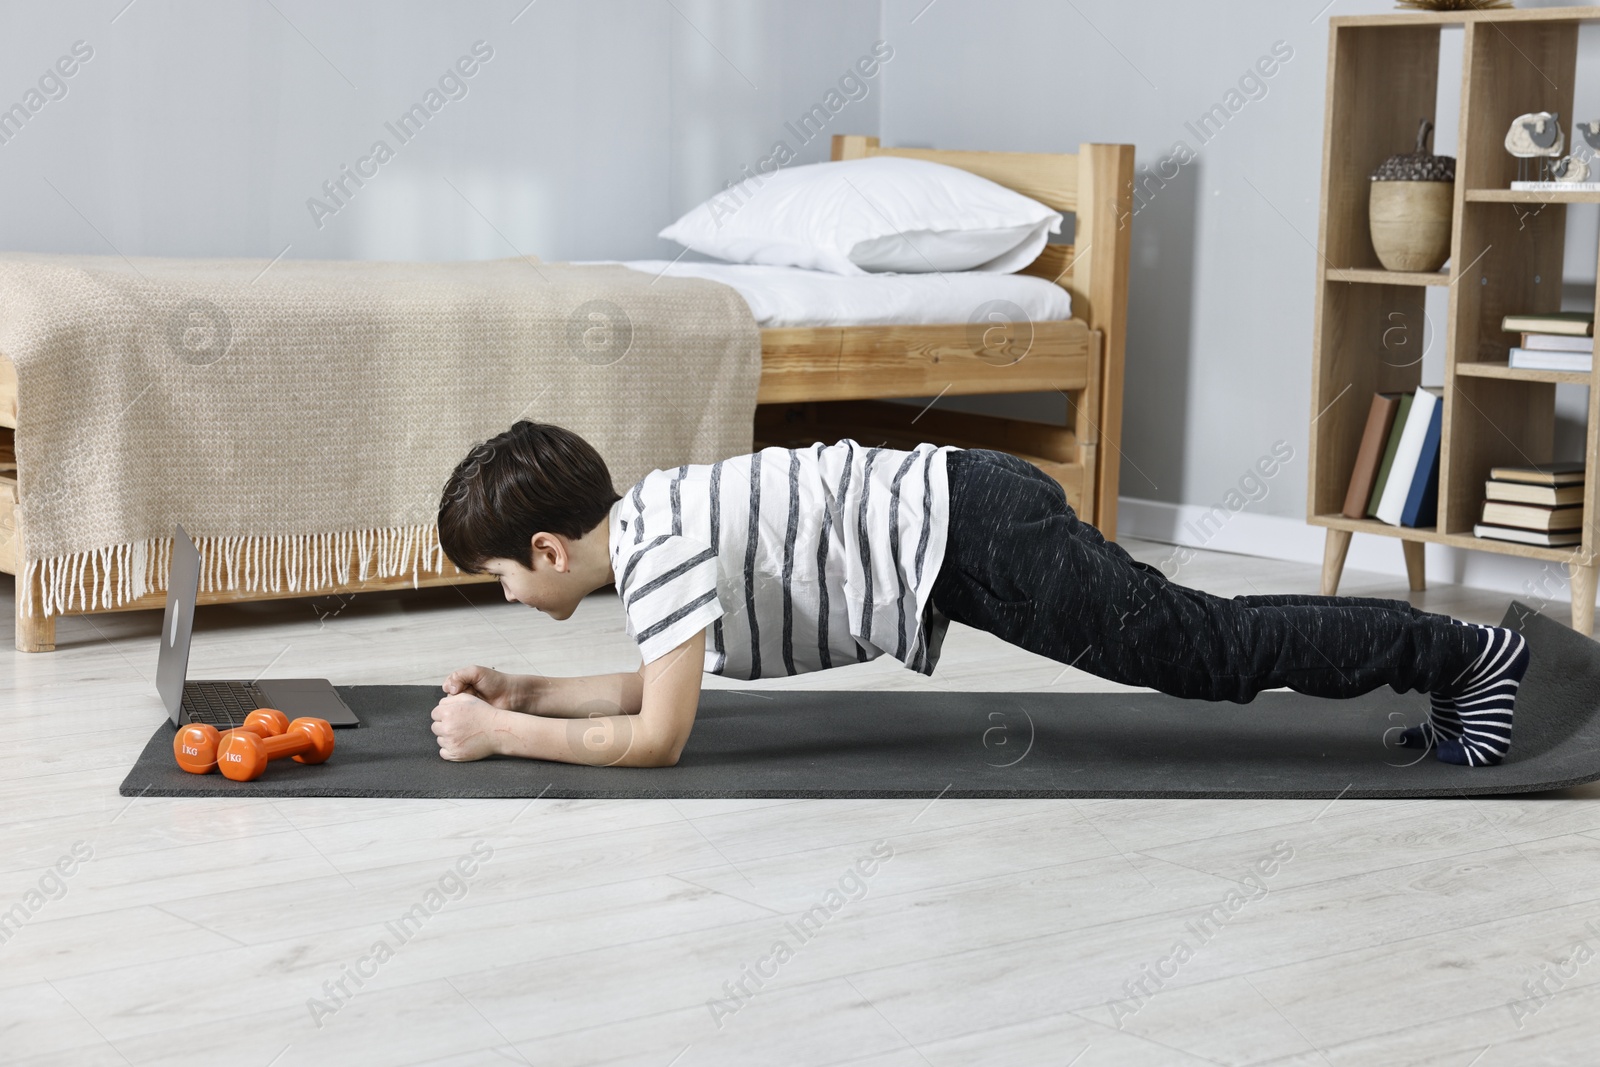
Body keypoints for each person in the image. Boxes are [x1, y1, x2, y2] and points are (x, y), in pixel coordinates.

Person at [429, 421, 1527, 769]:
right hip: (964, 514)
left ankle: (1460, 656)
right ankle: (1449, 661)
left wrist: (498, 732)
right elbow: (657, 688)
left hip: (973, 533)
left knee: (1203, 650)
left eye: (503, 580)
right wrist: (523, 683)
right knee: (1199, 642)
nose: (510, 595)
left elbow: (658, 739)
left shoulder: (660, 552)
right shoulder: (656, 519)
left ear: (546, 547)